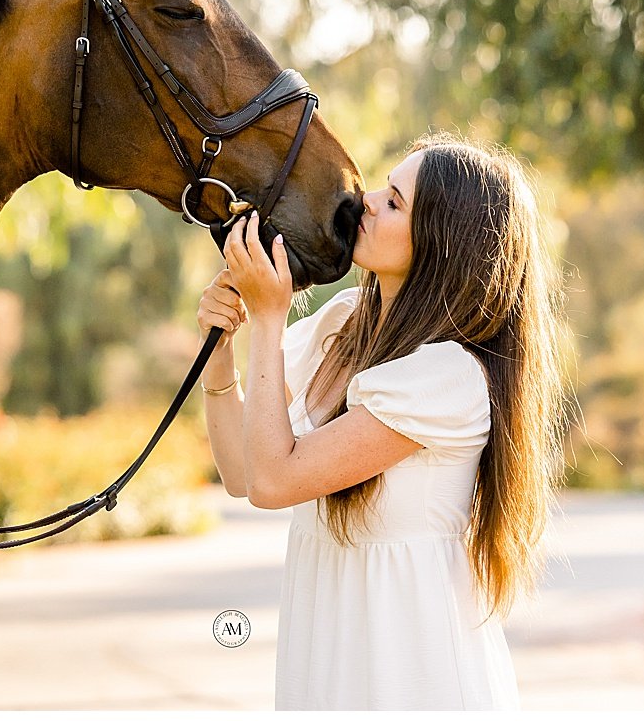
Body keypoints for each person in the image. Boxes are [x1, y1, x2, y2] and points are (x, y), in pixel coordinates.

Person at [196, 132, 568, 710]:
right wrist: (221, 351)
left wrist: (268, 320)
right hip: (332, 655)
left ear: (440, 245)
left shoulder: (447, 378)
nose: (366, 199)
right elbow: (243, 474)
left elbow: (275, 481)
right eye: (383, 187)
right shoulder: (342, 324)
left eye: (395, 201)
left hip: (411, 671)